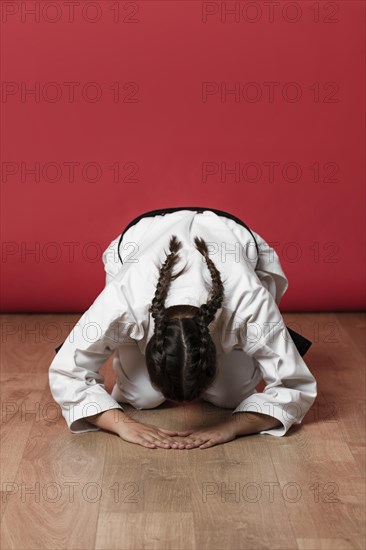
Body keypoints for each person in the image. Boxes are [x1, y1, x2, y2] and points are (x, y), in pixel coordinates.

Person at [48, 207, 317, 449]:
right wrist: (121, 424)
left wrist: (232, 427)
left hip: (232, 239)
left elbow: (294, 386)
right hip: (140, 240)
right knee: (141, 396)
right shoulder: (124, 299)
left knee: (231, 396)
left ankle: (252, 345)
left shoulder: (248, 301)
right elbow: (67, 372)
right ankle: (138, 362)